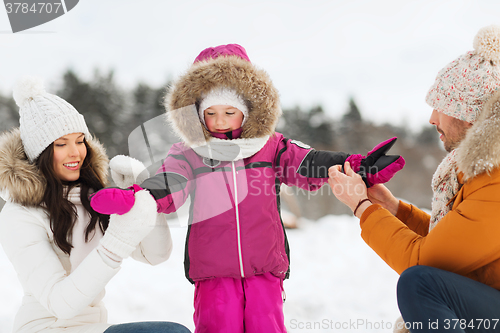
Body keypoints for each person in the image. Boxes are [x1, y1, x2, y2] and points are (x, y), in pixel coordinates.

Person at [90, 44, 405, 333]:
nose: (220, 121)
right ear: (198, 112)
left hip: (264, 270)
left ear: (247, 109)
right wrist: (137, 197)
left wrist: (357, 166)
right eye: (210, 114)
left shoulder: (270, 147)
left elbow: (310, 163)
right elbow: (170, 182)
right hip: (212, 274)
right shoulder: (188, 153)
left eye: (229, 112)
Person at [328, 25, 500, 333]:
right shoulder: (484, 172)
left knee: (419, 284)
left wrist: (361, 206)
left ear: (467, 113)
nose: (432, 118)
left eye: (441, 106)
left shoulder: (496, 180)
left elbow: (423, 263)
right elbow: (448, 246)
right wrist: (393, 208)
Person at [0, 77, 191, 333]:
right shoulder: (19, 214)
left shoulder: (90, 199)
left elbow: (155, 254)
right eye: (61, 144)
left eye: (80, 141)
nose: (75, 153)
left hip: (94, 327)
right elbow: (61, 304)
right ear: (41, 152)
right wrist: (116, 243)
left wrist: (145, 195)